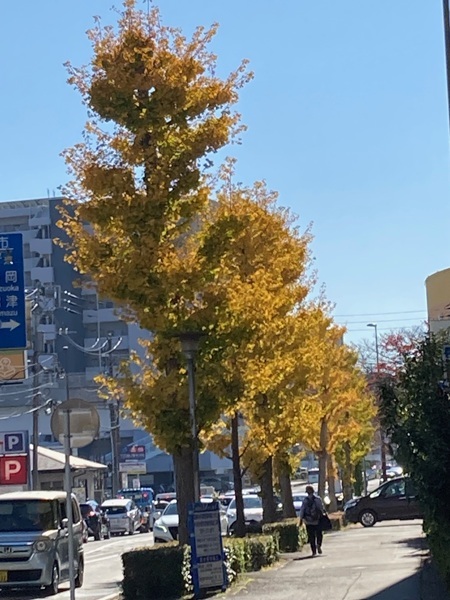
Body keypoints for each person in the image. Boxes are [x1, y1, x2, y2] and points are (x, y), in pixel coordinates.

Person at [299, 485, 325, 556]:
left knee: (311, 536)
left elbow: (302, 510)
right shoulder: (318, 499)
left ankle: (314, 551)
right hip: (317, 520)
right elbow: (321, 509)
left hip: (308, 521)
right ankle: (319, 544)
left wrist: (301, 520)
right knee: (319, 534)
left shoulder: (305, 500)